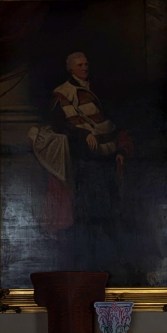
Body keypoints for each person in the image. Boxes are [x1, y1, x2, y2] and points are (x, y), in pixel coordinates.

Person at [28, 51, 132, 268]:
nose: (85, 68)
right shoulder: (62, 93)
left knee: (110, 210)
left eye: (86, 64)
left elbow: (109, 122)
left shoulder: (94, 90)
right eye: (80, 65)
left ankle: (112, 261)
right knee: (87, 212)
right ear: (71, 69)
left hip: (106, 158)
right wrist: (84, 133)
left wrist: (119, 149)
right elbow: (59, 125)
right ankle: (88, 261)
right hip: (84, 159)